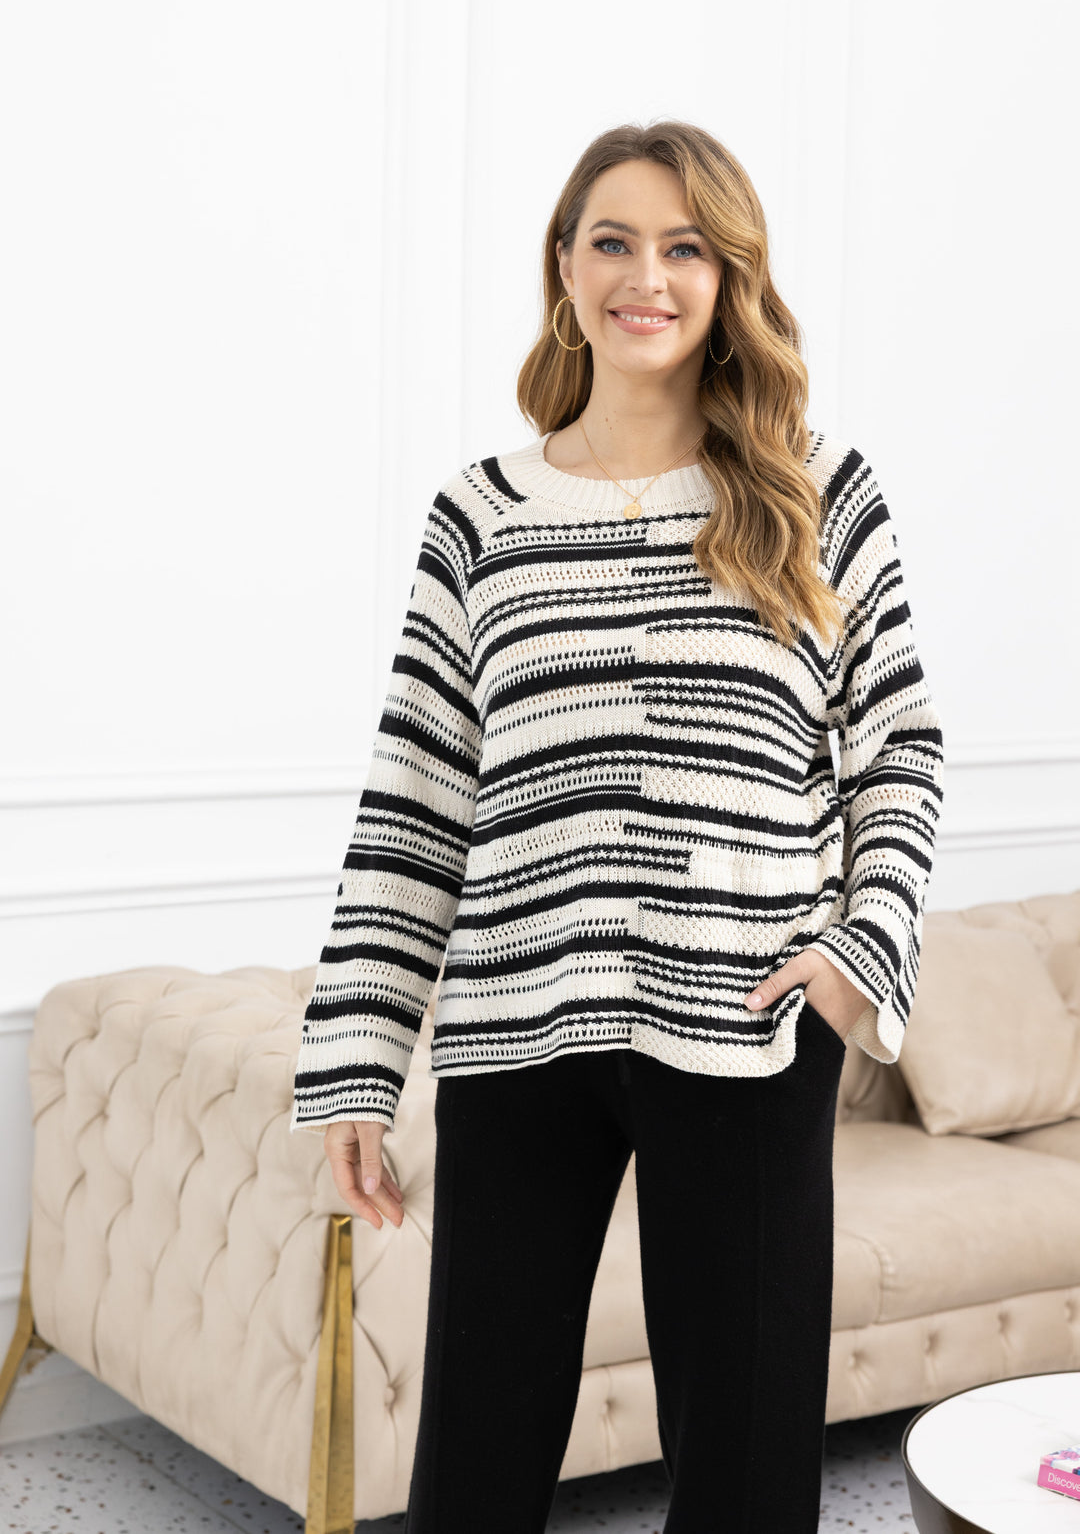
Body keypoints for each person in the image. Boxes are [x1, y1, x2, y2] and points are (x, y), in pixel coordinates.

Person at [289, 119, 945, 1533]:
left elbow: (899, 753)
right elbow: (416, 800)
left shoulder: (821, 492)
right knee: (474, 1468)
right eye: (615, 242)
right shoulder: (481, 516)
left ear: (730, 275)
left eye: (686, 247)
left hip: (751, 1023)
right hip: (520, 1029)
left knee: (747, 1474)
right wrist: (356, 1063)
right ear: (566, 267)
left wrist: (861, 953)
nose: (648, 277)